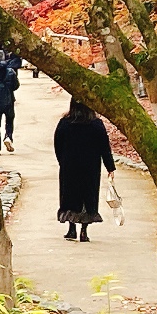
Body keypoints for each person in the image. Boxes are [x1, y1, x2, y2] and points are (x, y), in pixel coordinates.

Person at [55, 92, 117, 241]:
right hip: (90, 166)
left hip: (69, 166)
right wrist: (110, 167)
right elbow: (104, 147)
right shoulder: (96, 124)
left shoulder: (65, 123)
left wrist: (62, 161)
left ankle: (71, 229)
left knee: (70, 195)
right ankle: (84, 231)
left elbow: (58, 144)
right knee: (87, 196)